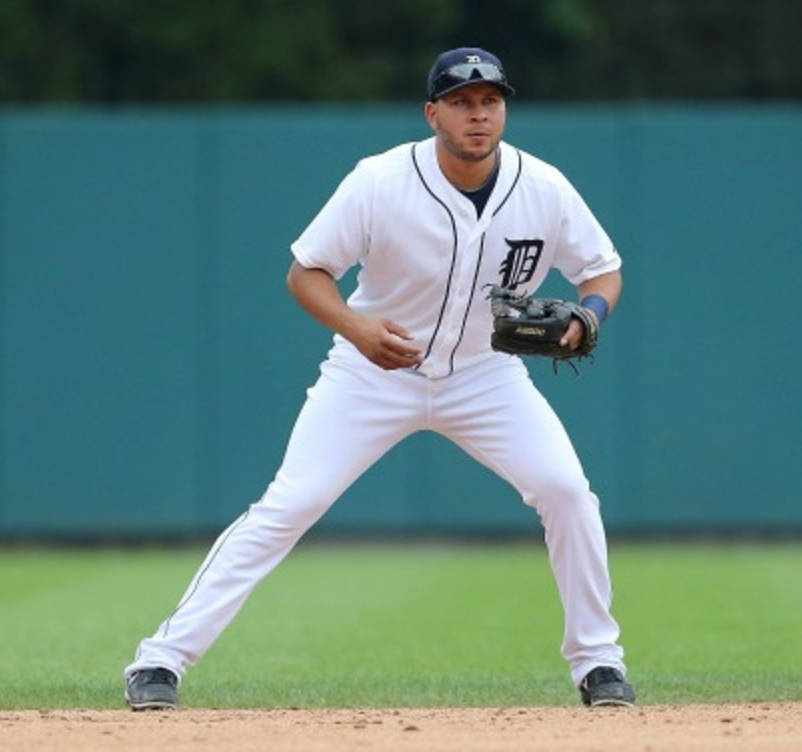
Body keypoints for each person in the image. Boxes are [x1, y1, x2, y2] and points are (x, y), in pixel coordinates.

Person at [123, 46, 634, 710]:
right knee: (291, 504)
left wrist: (590, 315)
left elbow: (602, 270)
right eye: (461, 102)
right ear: (433, 114)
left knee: (566, 492)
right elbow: (306, 273)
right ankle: (159, 661)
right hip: (371, 375)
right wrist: (356, 328)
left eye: (490, 101)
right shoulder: (380, 180)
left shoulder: (544, 188)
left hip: (484, 376)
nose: (478, 115)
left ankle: (599, 663)